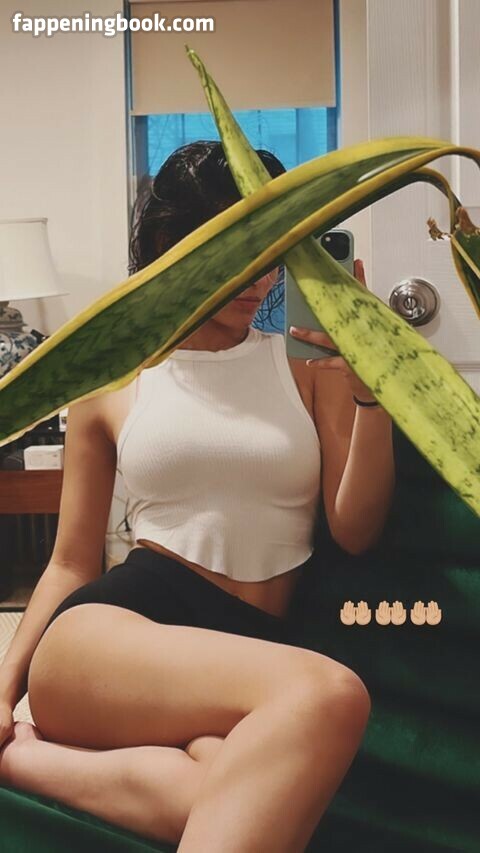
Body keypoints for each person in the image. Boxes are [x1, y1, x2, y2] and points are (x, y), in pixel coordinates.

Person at [0, 142, 395, 852]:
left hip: (248, 659)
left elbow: (355, 529)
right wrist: (2, 691)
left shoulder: (310, 371)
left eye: (272, 249)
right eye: (237, 252)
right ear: (169, 248)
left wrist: (372, 390)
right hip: (108, 640)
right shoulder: (114, 382)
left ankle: (25, 763)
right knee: (331, 693)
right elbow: (69, 562)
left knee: (220, 796)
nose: (262, 276)